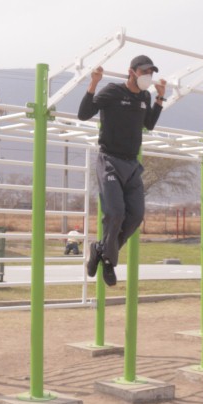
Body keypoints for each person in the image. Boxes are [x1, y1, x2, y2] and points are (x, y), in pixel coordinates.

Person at [78, 55, 166, 286]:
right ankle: (108, 261)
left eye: (151, 72)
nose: (148, 76)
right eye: (144, 71)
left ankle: (100, 249)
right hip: (109, 159)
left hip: (132, 164)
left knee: (135, 215)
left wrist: (160, 98)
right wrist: (94, 82)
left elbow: (149, 124)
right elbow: (84, 114)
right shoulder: (112, 91)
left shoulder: (145, 96)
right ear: (131, 72)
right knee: (116, 213)